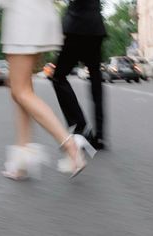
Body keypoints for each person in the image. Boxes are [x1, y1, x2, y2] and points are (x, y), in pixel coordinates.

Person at [0, 0, 96, 179]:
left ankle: (70, 145)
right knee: (19, 88)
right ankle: (22, 161)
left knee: (21, 92)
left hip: (23, 21)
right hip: (40, 18)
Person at [52, 0, 106, 150]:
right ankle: (100, 136)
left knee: (58, 77)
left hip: (75, 27)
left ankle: (80, 125)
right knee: (96, 81)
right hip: (95, 28)